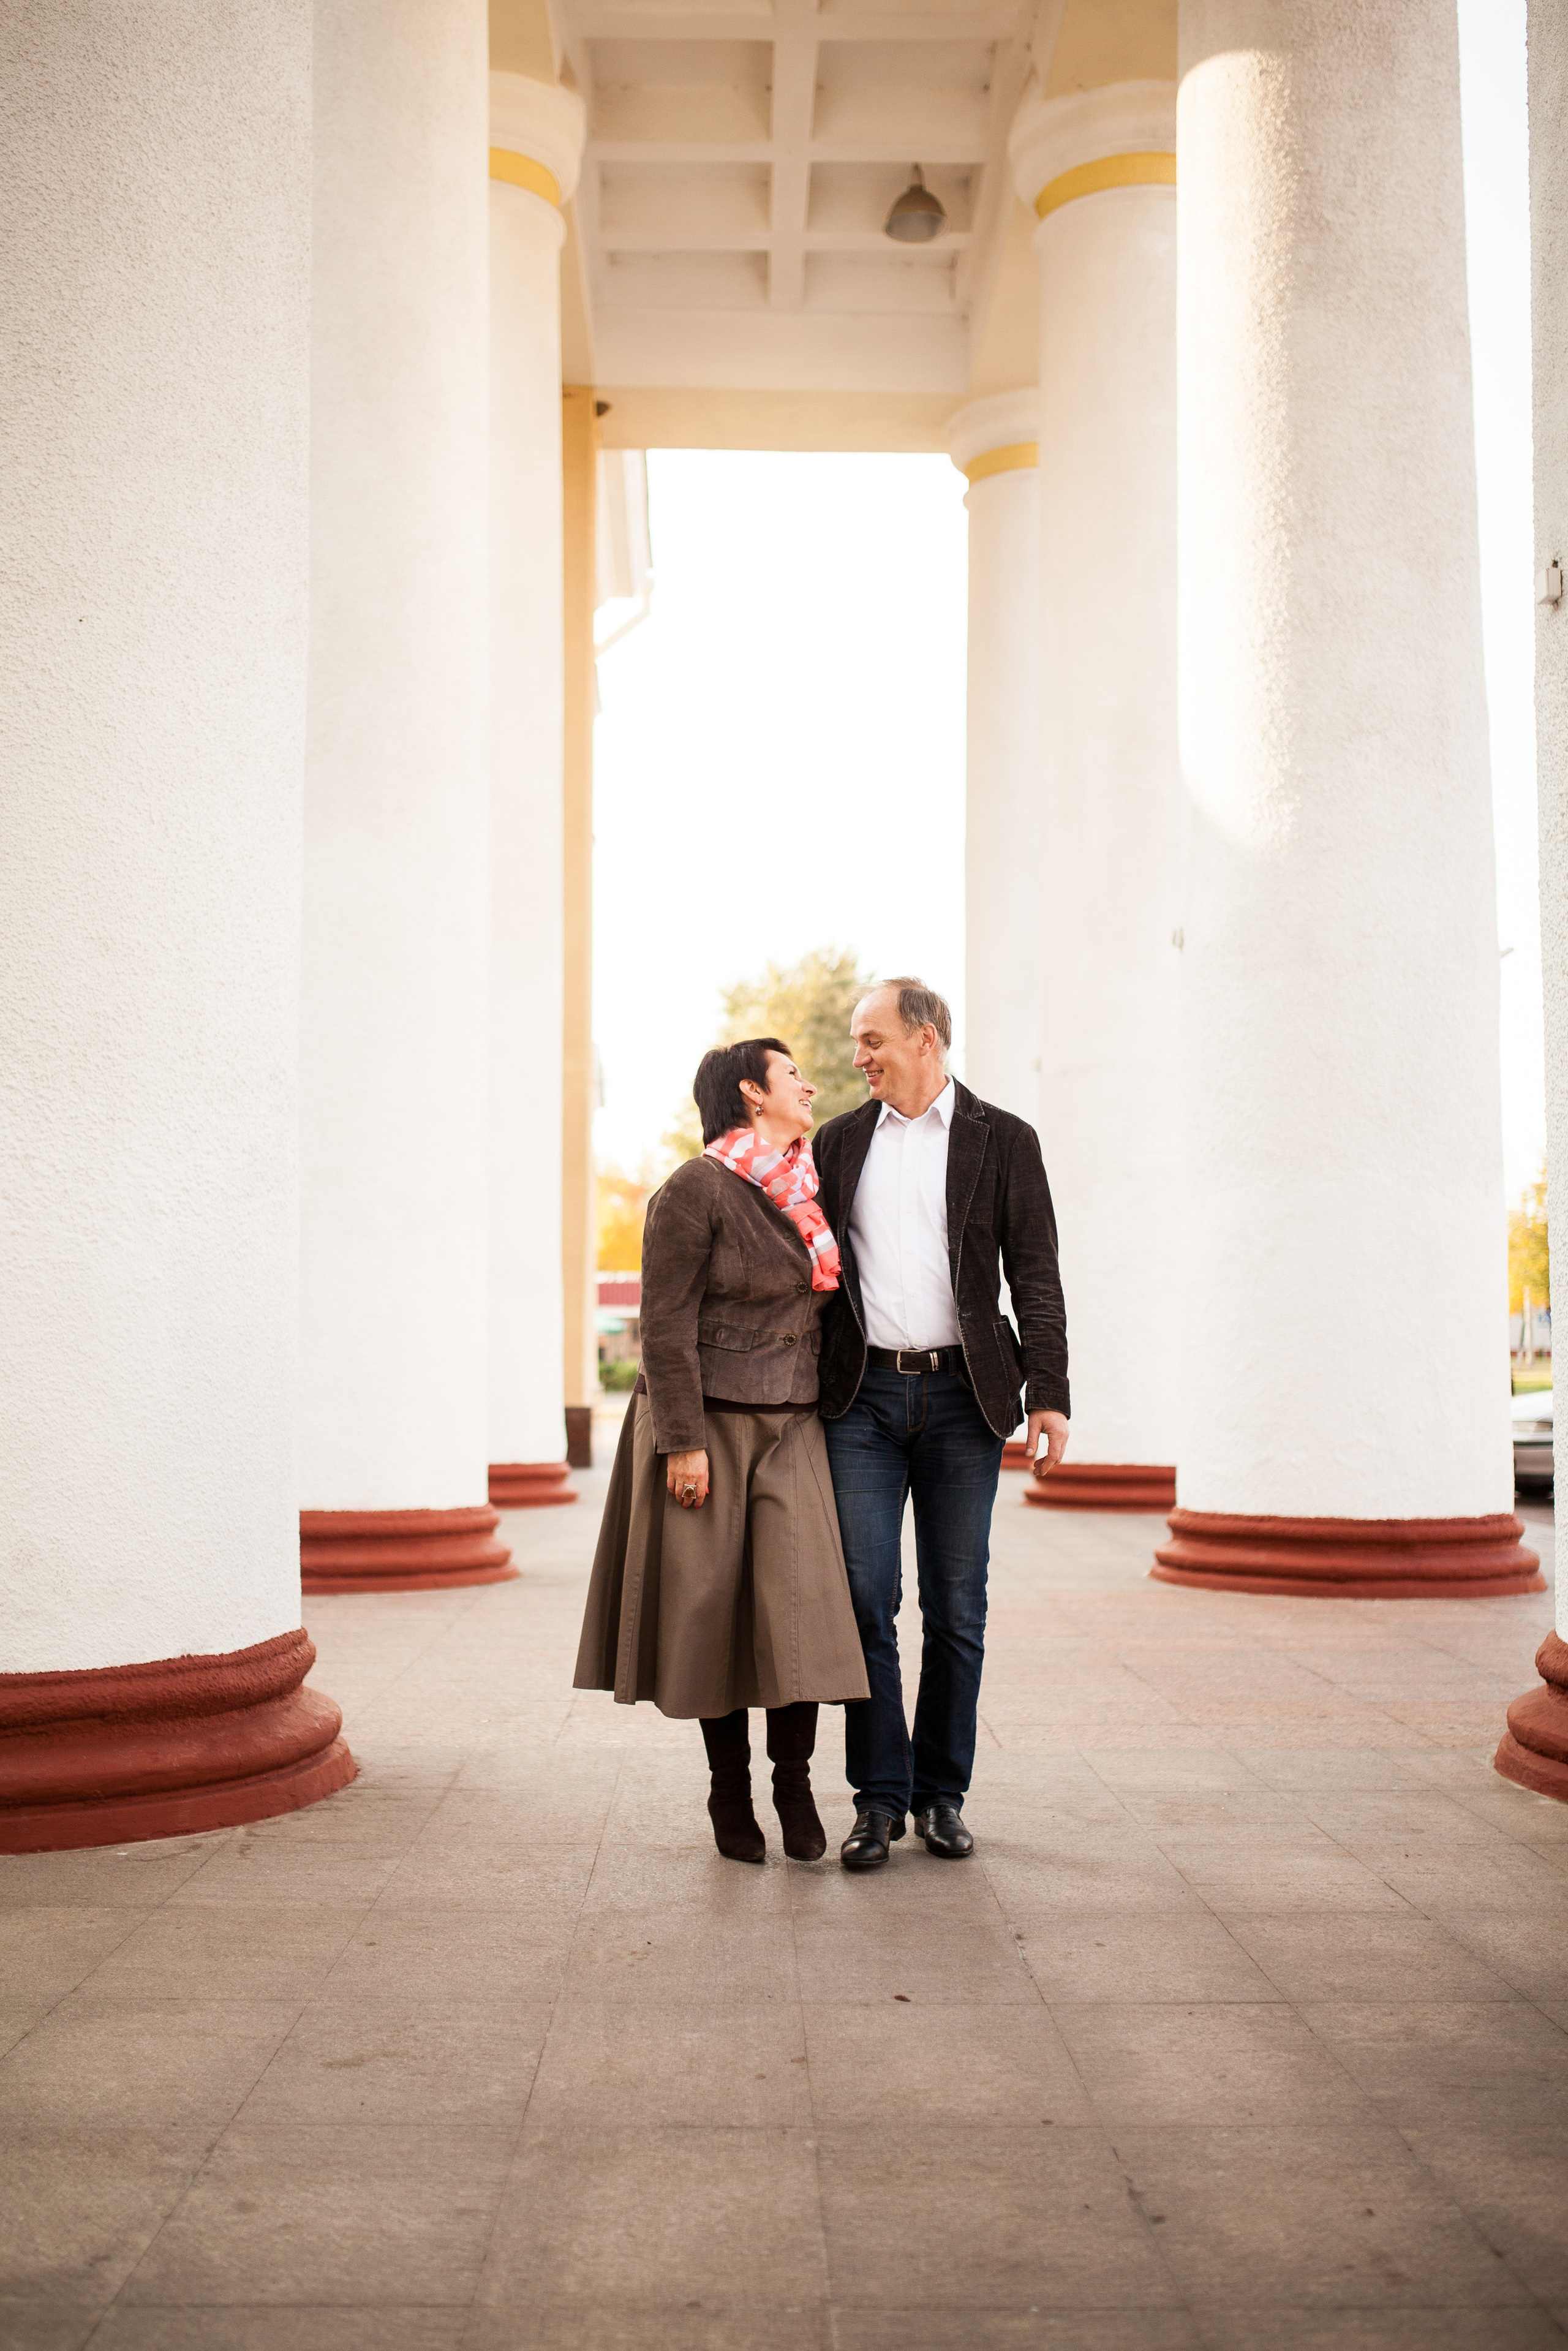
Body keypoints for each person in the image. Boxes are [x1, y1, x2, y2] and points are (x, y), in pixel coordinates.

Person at [573, 1037, 869, 1863]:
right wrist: (683, 1442)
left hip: (795, 1423)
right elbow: (663, 1326)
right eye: (792, 1075)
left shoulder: (807, 1189)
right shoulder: (692, 1190)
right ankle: (729, 1789)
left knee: (798, 1611)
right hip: (709, 1426)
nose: (809, 1085)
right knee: (712, 1610)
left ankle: (795, 1783)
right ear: (750, 1092)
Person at [813, 978, 1070, 1871]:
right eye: (856, 1041)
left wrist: (1051, 1391)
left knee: (957, 1606)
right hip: (863, 1403)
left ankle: (942, 1794)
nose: (859, 1056)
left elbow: (1035, 1272)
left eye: (871, 1038)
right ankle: (878, 1798)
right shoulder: (839, 1143)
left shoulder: (1005, 1140)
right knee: (863, 1597)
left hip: (967, 1401)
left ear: (926, 1038)